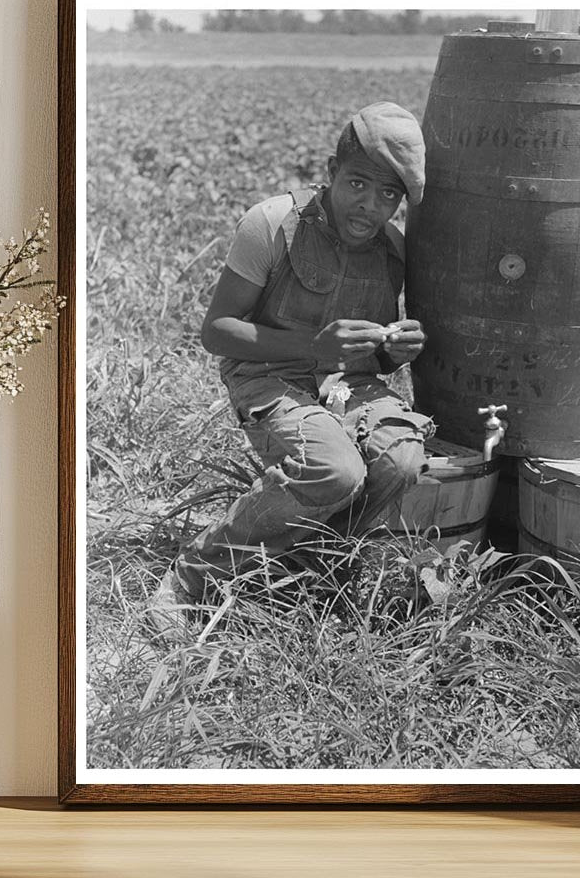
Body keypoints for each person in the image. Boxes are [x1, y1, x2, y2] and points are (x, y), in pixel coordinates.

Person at [147, 101, 435, 629]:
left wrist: (392, 351)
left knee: (402, 458)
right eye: (357, 185)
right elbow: (217, 332)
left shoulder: (392, 249)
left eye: (389, 195)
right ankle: (195, 572)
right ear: (330, 171)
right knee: (334, 470)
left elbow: (366, 359)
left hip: (347, 385)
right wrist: (312, 349)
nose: (369, 207)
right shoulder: (274, 223)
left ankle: (311, 561)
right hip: (266, 376)